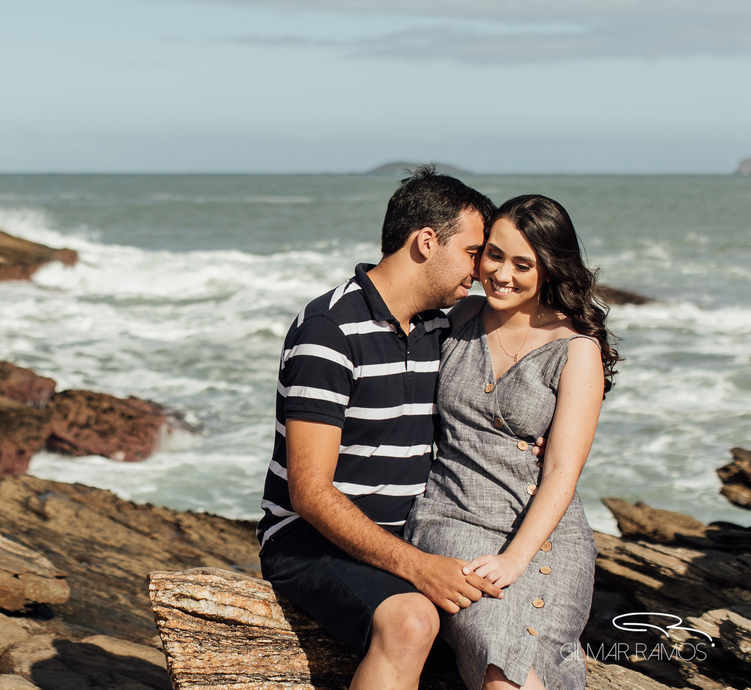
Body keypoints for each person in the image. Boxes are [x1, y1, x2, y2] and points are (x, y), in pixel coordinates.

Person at [257, 167, 502, 690]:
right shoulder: (330, 330)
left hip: (416, 531)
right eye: (473, 252)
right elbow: (308, 492)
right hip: (309, 540)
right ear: (426, 241)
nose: (481, 271)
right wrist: (418, 567)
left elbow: (525, 343)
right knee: (412, 622)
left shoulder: (441, 325)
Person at [404, 194, 619, 690]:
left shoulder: (575, 349)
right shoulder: (457, 320)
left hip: (542, 538)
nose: (502, 274)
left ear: (550, 268)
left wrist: (515, 559)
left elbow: (563, 472)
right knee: (496, 657)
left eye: (523, 264)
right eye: (493, 255)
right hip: (451, 518)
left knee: (517, 675)